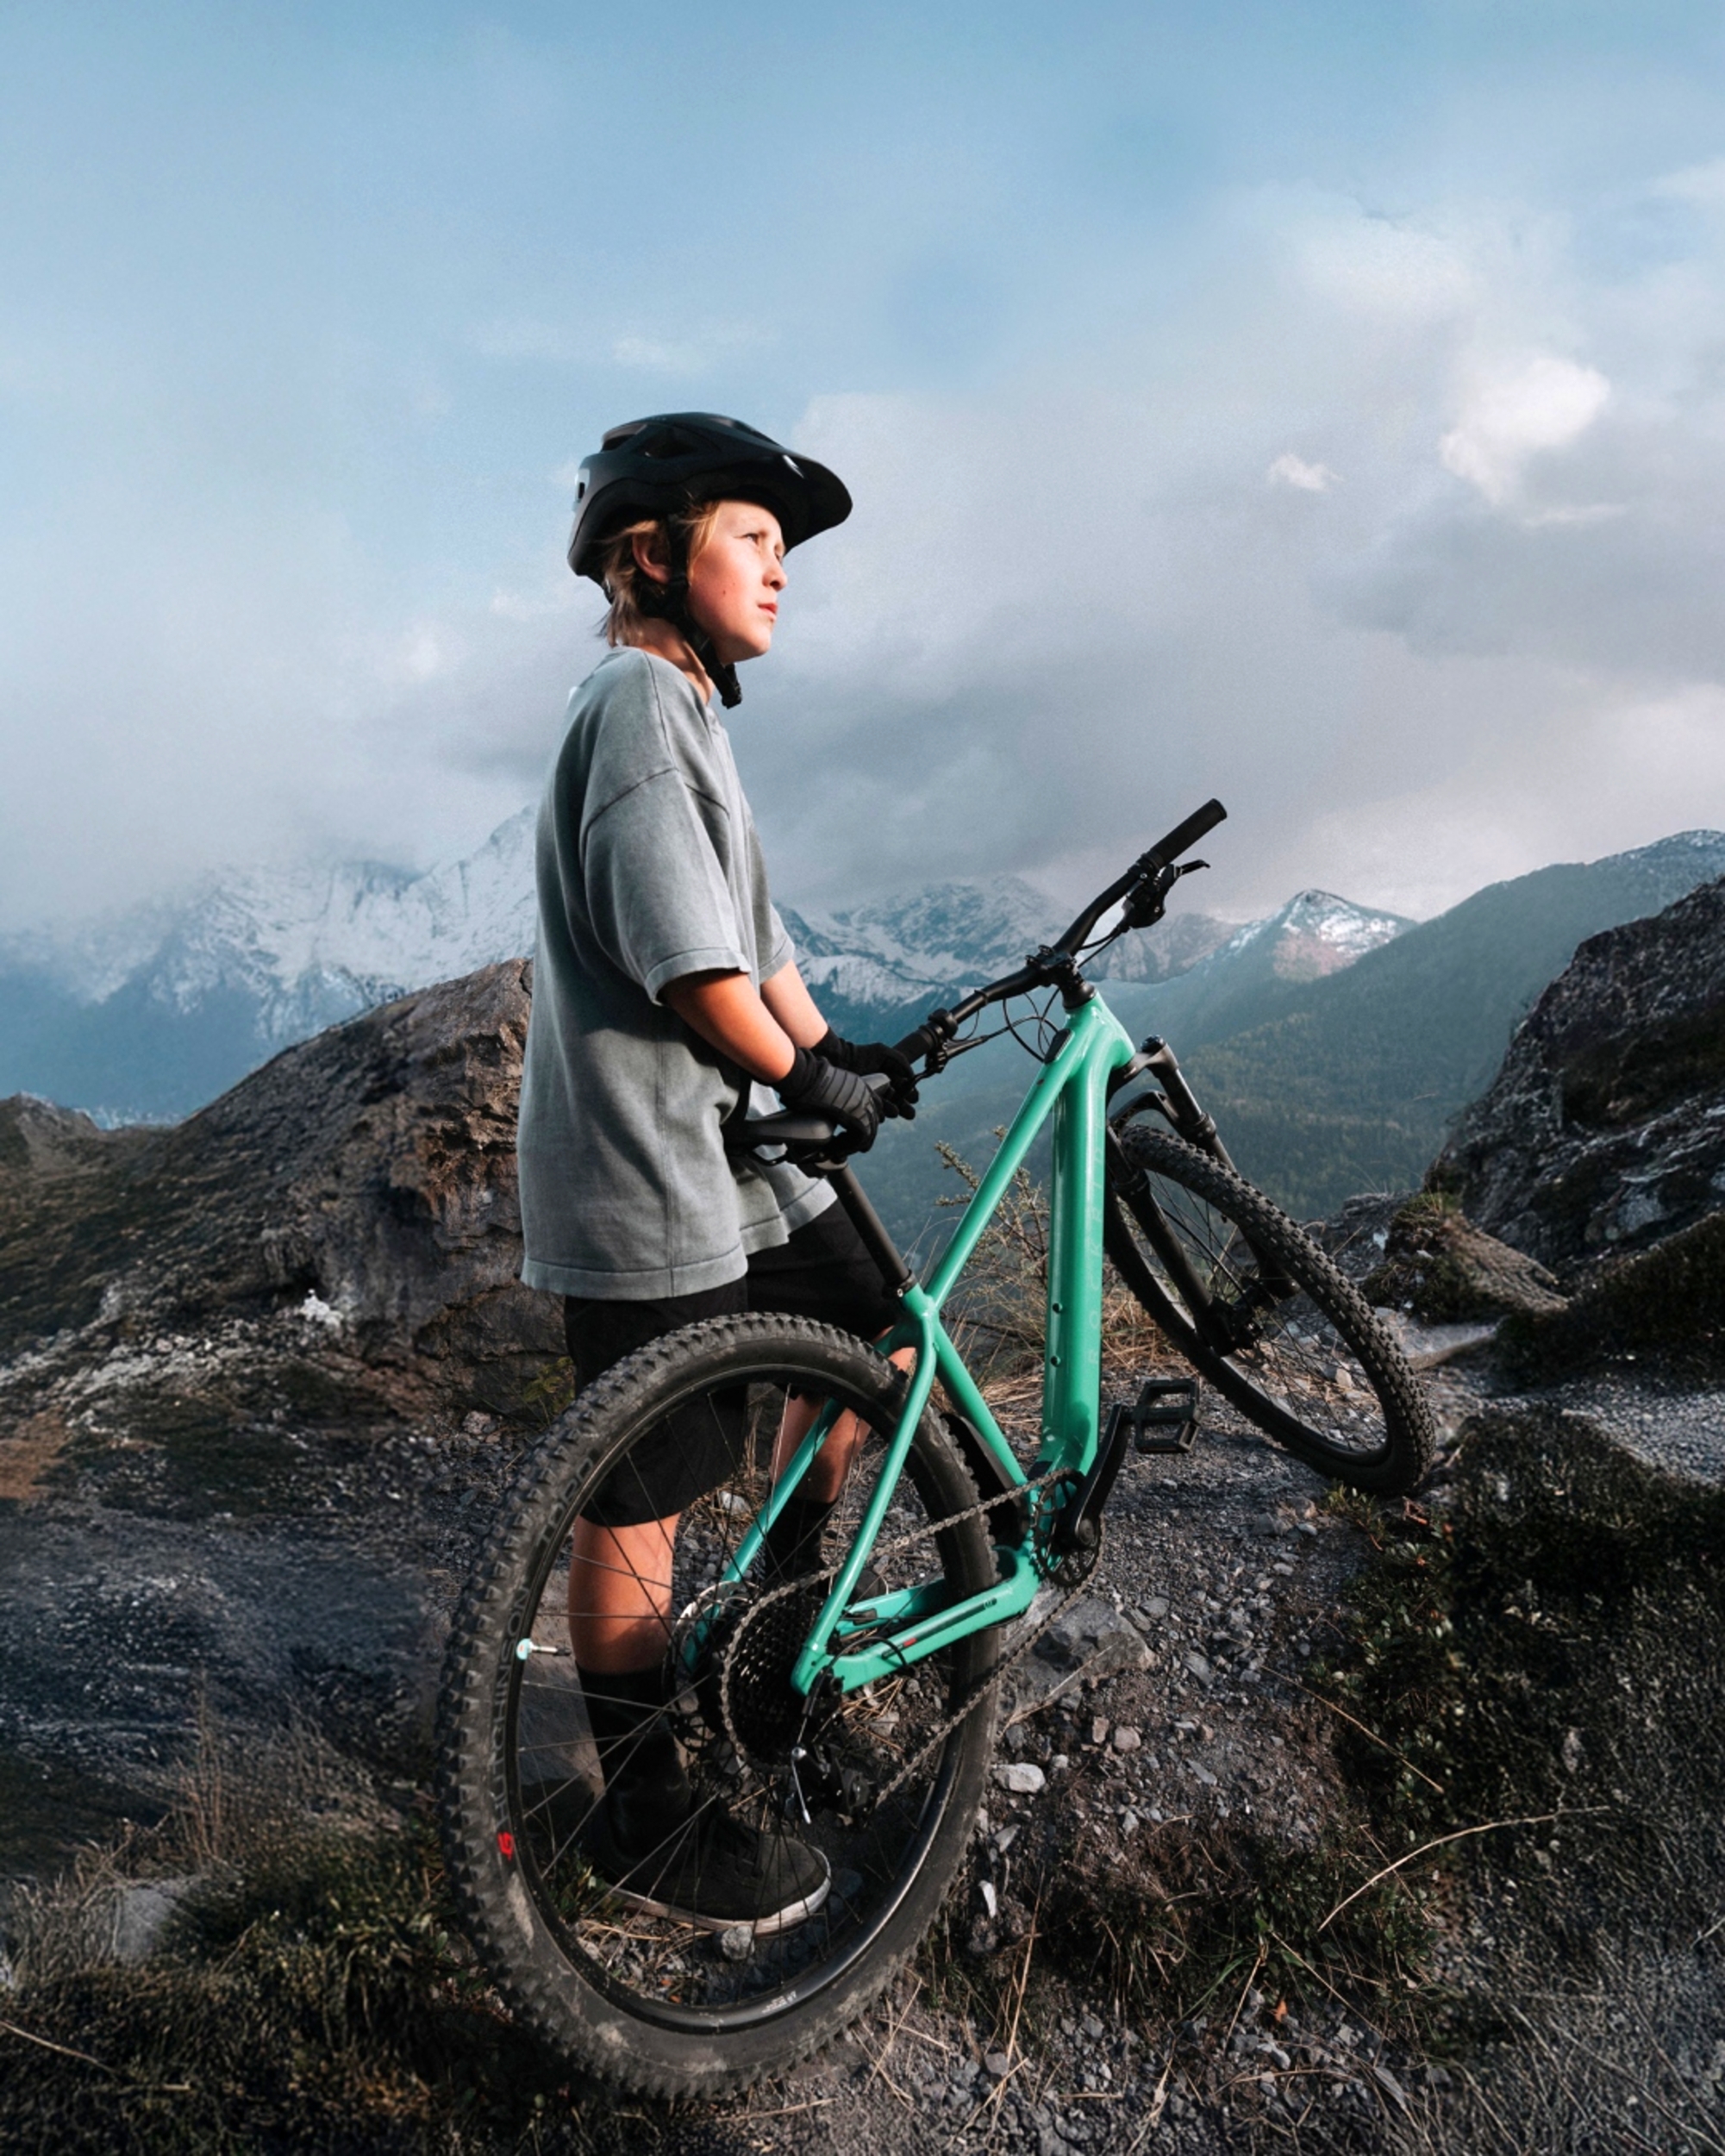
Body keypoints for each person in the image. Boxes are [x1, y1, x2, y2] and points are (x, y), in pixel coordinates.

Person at [516, 412, 919, 1934]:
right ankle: (645, 1813)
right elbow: (693, 970)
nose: (780, 570)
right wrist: (801, 1072)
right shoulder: (631, 701)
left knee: (874, 1332)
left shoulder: (688, 713)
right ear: (651, 553)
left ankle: (774, 1635)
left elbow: (760, 948)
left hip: (735, 1166)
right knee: (643, 1495)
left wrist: (841, 1050)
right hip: (646, 1174)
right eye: (753, 536)